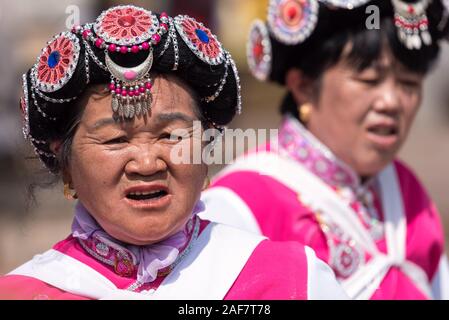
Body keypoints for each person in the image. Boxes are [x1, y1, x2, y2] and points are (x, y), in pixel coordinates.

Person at [0, 5, 347, 300]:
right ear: (66, 165)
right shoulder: (24, 291)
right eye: (116, 141)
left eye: (171, 135)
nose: (148, 162)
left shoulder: (291, 279)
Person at [201, 0, 449, 299]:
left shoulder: (406, 190)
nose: (392, 102)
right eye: (369, 80)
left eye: (409, 83)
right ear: (304, 85)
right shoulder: (238, 205)